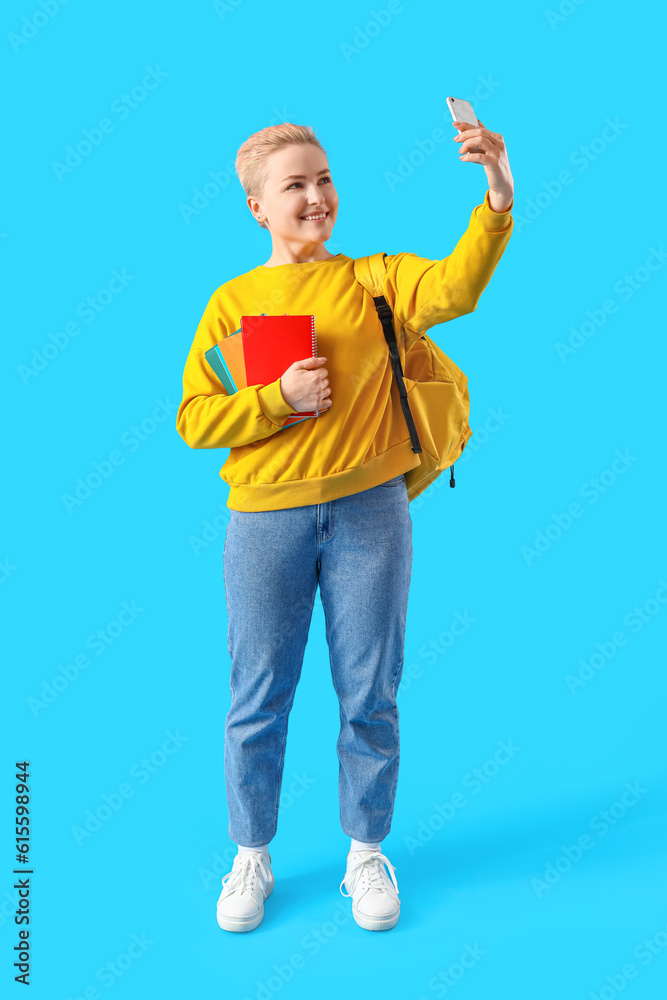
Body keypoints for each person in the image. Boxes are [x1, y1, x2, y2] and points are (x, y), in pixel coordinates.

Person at [176, 119, 514, 933]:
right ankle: (250, 857)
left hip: (372, 511)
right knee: (257, 696)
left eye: (323, 178)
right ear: (258, 207)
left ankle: (365, 852)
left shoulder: (374, 280)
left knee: (371, 694)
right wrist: (276, 401)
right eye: (294, 185)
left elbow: (455, 289)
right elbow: (195, 419)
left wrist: (497, 193)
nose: (316, 196)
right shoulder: (232, 303)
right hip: (263, 521)